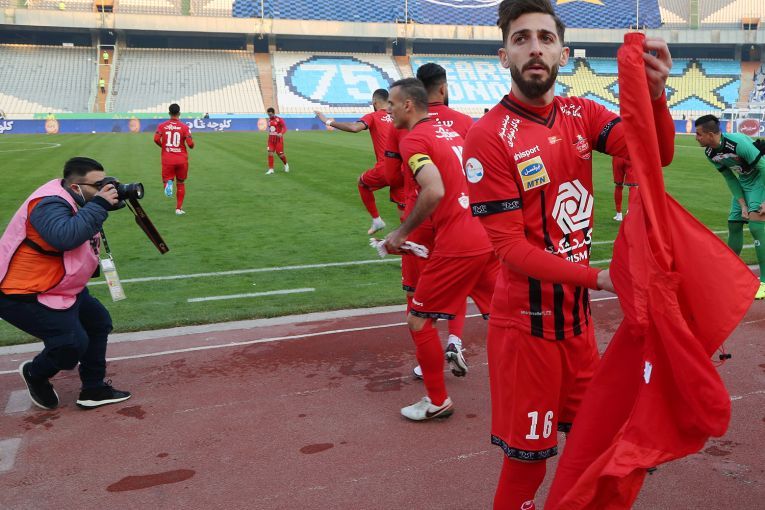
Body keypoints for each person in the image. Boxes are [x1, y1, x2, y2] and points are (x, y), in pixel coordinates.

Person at [462, 1, 675, 508]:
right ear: (504, 55)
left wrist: (657, 96)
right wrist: (601, 278)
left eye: (545, 37)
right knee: (527, 465)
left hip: (577, 328)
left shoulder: (583, 113)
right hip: (526, 332)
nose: (534, 48)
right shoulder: (488, 137)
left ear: (562, 52)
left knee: (596, 446)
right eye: (521, 39)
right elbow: (510, 248)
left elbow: (656, 156)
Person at [384, 78, 499, 421]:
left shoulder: (414, 139)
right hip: (485, 233)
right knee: (506, 314)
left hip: (459, 241)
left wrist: (401, 233)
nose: (387, 110)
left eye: (391, 104)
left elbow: (433, 190)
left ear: (408, 105)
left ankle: (437, 400)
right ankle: (543, 381)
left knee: (418, 320)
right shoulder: (451, 134)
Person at [0, 157, 132, 410]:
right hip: (22, 291)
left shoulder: (76, 198)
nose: (104, 189)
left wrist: (103, 202)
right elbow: (65, 237)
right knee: (71, 344)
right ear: (75, 187)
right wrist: (99, 205)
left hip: (60, 286)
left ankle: (93, 389)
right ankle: (35, 372)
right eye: (98, 185)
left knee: (98, 322)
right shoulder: (48, 204)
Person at [401, 63, 474, 379]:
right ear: (443, 88)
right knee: (458, 285)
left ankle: (428, 369)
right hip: (458, 217)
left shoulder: (407, 126)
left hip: (419, 218)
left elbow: (392, 173)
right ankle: (455, 340)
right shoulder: (465, 123)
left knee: (418, 295)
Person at [695, 114, 765, 299]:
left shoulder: (737, 143)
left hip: (760, 178)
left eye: (699, 134)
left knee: (756, 225)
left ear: (710, 134)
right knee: (734, 223)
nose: (696, 138)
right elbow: (729, 178)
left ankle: (764, 282)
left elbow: (764, 167)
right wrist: (742, 204)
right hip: (744, 182)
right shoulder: (710, 153)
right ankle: (729, 273)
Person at [316, 89, 403, 234]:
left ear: (374, 102)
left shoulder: (373, 116)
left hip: (387, 167)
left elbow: (354, 127)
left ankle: (377, 220)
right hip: (404, 168)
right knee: (404, 212)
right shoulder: (399, 116)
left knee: (362, 183)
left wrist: (328, 121)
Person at [154, 103, 194, 215]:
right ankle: (178, 209)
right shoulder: (184, 127)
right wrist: (192, 144)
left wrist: (164, 146)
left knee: (167, 180)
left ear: (169, 113)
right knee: (181, 182)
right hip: (181, 159)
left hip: (168, 159)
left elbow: (156, 139)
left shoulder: (162, 126)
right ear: (179, 113)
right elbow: (190, 144)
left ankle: (168, 184)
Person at [611, 156, 636, 221]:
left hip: (618, 157)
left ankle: (618, 214)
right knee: (632, 187)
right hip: (631, 157)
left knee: (618, 185)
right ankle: (630, 213)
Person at [265, 107, 289, 175]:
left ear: (273, 113)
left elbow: (284, 128)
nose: (269, 116)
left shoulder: (279, 119)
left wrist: (281, 133)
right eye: (268, 115)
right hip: (271, 140)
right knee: (270, 153)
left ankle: (286, 164)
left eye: (270, 114)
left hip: (278, 140)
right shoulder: (269, 120)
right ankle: (271, 169)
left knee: (280, 154)